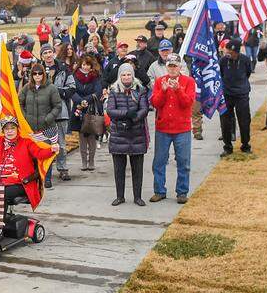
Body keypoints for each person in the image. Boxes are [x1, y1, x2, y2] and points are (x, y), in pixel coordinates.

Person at [149, 56, 197, 203]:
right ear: (166, 67)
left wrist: (178, 90)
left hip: (182, 128)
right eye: (170, 66)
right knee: (159, 161)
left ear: (180, 67)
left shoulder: (188, 81)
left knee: (184, 162)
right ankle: (159, 191)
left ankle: (182, 192)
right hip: (163, 128)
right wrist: (163, 91)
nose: (172, 69)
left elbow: (188, 103)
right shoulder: (160, 81)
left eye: (175, 66)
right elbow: (155, 103)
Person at [106, 63, 149, 206]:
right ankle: (120, 196)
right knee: (119, 169)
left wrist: (134, 119)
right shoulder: (114, 90)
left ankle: (137, 196)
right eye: (123, 75)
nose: (126, 77)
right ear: (120, 76)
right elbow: (110, 111)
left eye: (128, 74)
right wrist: (126, 114)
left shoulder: (140, 89)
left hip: (136, 133)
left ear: (132, 75)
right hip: (119, 134)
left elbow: (144, 109)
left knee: (137, 169)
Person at [18, 62, 64, 188]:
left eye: (40, 73)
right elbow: (19, 103)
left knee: (46, 153)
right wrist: (25, 117)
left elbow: (58, 106)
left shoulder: (51, 88)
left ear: (44, 74)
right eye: (34, 73)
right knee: (32, 155)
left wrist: (48, 118)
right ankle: (34, 178)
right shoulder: (27, 88)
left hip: (46, 128)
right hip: (31, 129)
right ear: (31, 75)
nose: (37, 76)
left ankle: (47, 178)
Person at [41, 44, 76, 183]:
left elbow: (72, 88)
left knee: (60, 143)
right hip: (42, 112)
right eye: (45, 53)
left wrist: (56, 90)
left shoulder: (63, 68)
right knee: (44, 143)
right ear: (42, 56)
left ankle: (62, 168)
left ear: (54, 53)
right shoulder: (37, 69)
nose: (48, 55)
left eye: (50, 52)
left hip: (61, 111)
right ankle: (44, 170)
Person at [220, 39, 253, 156]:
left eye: (231, 51)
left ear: (237, 52)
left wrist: (241, 86)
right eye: (228, 50)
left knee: (244, 120)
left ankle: (245, 145)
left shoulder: (245, 60)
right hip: (227, 94)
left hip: (242, 94)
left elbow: (248, 73)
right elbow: (221, 74)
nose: (229, 53)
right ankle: (227, 146)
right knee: (225, 121)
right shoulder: (223, 61)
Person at [72, 55, 104, 171]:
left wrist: (87, 100)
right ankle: (83, 162)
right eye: (84, 64)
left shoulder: (95, 77)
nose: (85, 67)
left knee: (91, 136)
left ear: (91, 66)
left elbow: (98, 91)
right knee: (82, 137)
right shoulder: (74, 76)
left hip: (92, 108)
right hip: (79, 109)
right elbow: (72, 90)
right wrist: (80, 101)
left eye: (88, 65)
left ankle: (91, 161)